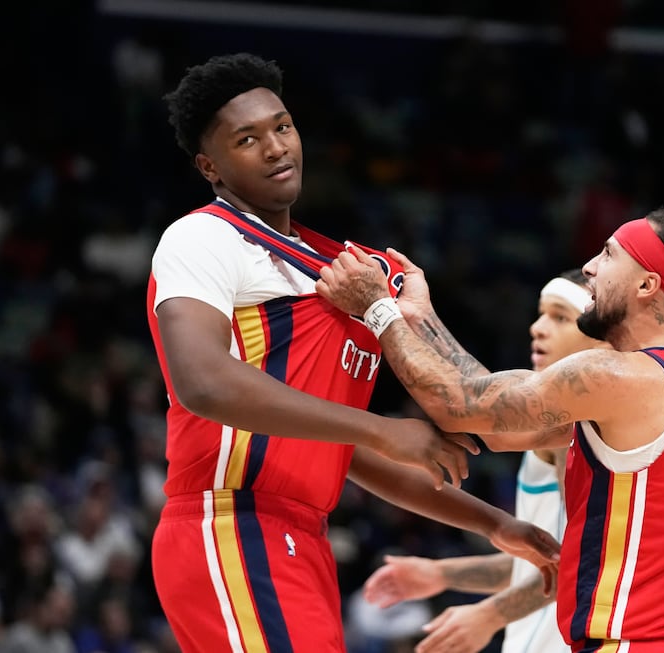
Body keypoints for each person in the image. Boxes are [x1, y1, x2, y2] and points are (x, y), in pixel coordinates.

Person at [147, 52, 560, 653]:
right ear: (210, 166)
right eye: (247, 139)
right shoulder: (203, 236)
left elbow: (343, 447)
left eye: (283, 127)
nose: (275, 147)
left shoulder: (341, 269)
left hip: (300, 534)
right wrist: (382, 430)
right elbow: (202, 383)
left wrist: (493, 523)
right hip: (231, 520)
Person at [316, 207, 664, 652]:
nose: (590, 267)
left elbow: (457, 406)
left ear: (647, 285)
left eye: (608, 254)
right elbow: (498, 427)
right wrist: (422, 319)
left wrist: (378, 309)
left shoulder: (623, 377)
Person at [362, 269, 611, 653]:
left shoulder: (579, 427)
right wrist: (441, 573)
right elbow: (548, 558)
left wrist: (490, 614)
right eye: (541, 313)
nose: (538, 328)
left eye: (560, 317)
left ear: (601, 339)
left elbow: (583, 563)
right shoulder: (574, 423)